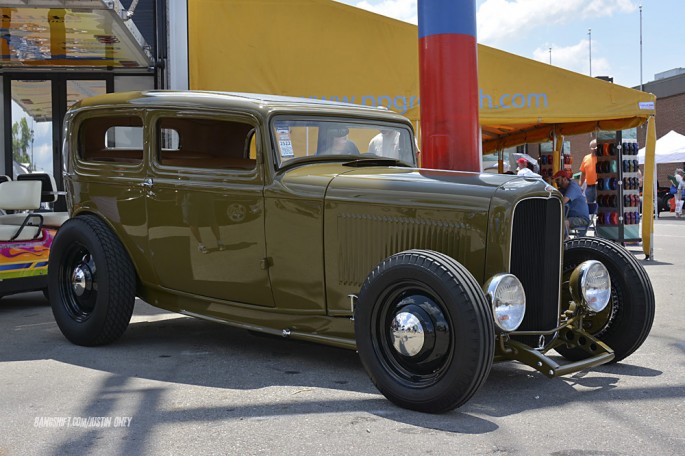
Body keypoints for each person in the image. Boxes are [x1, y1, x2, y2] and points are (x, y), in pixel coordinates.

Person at [553, 169, 590, 237]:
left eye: (557, 180)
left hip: (582, 219)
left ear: (564, 179)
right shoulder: (563, 189)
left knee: (563, 223)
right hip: (571, 217)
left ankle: (564, 243)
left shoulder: (573, 186)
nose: (556, 182)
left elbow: (563, 201)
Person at [579, 139, 598, 203]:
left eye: (595, 148)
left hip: (598, 186)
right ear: (590, 148)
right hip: (589, 187)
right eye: (592, 148)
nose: (594, 150)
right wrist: (581, 186)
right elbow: (583, 173)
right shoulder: (586, 158)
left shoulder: (601, 158)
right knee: (589, 206)